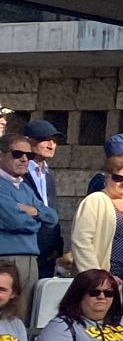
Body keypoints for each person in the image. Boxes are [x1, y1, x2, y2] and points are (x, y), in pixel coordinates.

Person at [70, 152, 123, 281]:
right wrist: (98, 277)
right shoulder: (94, 200)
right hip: (105, 280)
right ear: (107, 177)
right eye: (118, 178)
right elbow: (81, 241)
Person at [0, 135, 57, 296]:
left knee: (26, 315)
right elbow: (15, 220)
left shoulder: (25, 188)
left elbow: (52, 217)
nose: (25, 159)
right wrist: (38, 221)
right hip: (5, 260)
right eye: (17, 154)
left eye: (29, 155)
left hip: (31, 259)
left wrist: (35, 212)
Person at [22, 119, 62, 280]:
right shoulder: (18, 171)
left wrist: (57, 243)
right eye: (44, 139)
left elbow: (51, 208)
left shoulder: (48, 173)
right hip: (25, 248)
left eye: (54, 140)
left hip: (47, 252)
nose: (51, 145)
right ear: (28, 141)